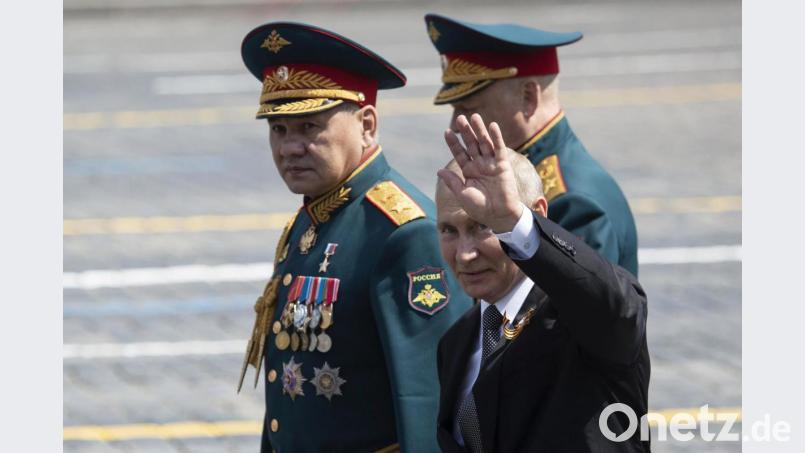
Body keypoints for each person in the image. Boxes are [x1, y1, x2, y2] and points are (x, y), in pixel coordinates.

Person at [236, 22, 472, 453]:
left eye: (309, 127)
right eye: (278, 129)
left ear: (366, 124)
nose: (289, 147)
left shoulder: (402, 232)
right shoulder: (314, 216)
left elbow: (427, 401)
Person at [434, 113, 650, 452]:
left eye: (482, 226)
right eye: (449, 230)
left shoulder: (579, 322)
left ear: (537, 213)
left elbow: (618, 306)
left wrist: (513, 223)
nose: (465, 254)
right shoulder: (457, 343)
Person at [424, 14, 640, 276]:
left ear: (528, 97)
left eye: (469, 109)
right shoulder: (531, 171)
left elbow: (581, 297)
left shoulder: (570, 200)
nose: (456, 125)